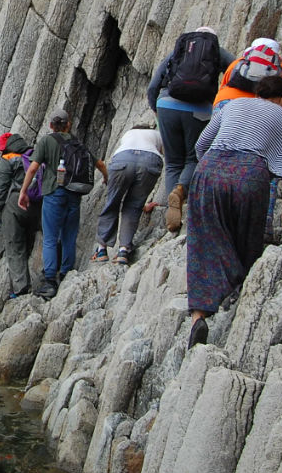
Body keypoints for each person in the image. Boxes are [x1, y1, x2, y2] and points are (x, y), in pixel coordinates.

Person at [185, 76, 282, 348]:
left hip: (210, 170)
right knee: (247, 238)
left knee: (203, 239)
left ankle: (198, 315)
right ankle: (239, 291)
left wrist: (214, 169)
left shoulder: (232, 106)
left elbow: (201, 144)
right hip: (250, 174)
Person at [147, 27, 234, 233]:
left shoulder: (179, 51)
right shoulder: (217, 52)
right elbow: (236, 69)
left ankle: (172, 216)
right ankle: (180, 191)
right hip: (200, 108)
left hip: (166, 105)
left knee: (173, 163)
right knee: (193, 158)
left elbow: (154, 84)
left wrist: (157, 108)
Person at [18, 110, 108, 298]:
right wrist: (107, 179)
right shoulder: (77, 143)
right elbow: (100, 164)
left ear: (51, 125)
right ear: (68, 124)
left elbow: (33, 168)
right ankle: (67, 273)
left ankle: (50, 281)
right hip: (74, 195)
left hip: (54, 193)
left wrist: (23, 191)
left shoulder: (47, 141)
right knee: (69, 235)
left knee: (50, 237)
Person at [95, 120, 164, 266]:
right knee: (133, 206)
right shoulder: (157, 134)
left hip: (123, 159)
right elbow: (165, 153)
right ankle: (123, 251)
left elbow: (130, 156)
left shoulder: (128, 134)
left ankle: (101, 249)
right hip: (150, 161)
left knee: (113, 201)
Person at [0, 132, 41, 297]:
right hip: (39, 206)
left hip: (16, 206)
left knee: (15, 246)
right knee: (30, 243)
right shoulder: (35, 154)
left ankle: (20, 289)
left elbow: (1, 190)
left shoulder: (7, 159)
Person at [213, 37, 282, 118]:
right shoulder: (281, 69)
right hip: (260, 111)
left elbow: (223, 88)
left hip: (225, 102)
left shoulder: (237, 63)